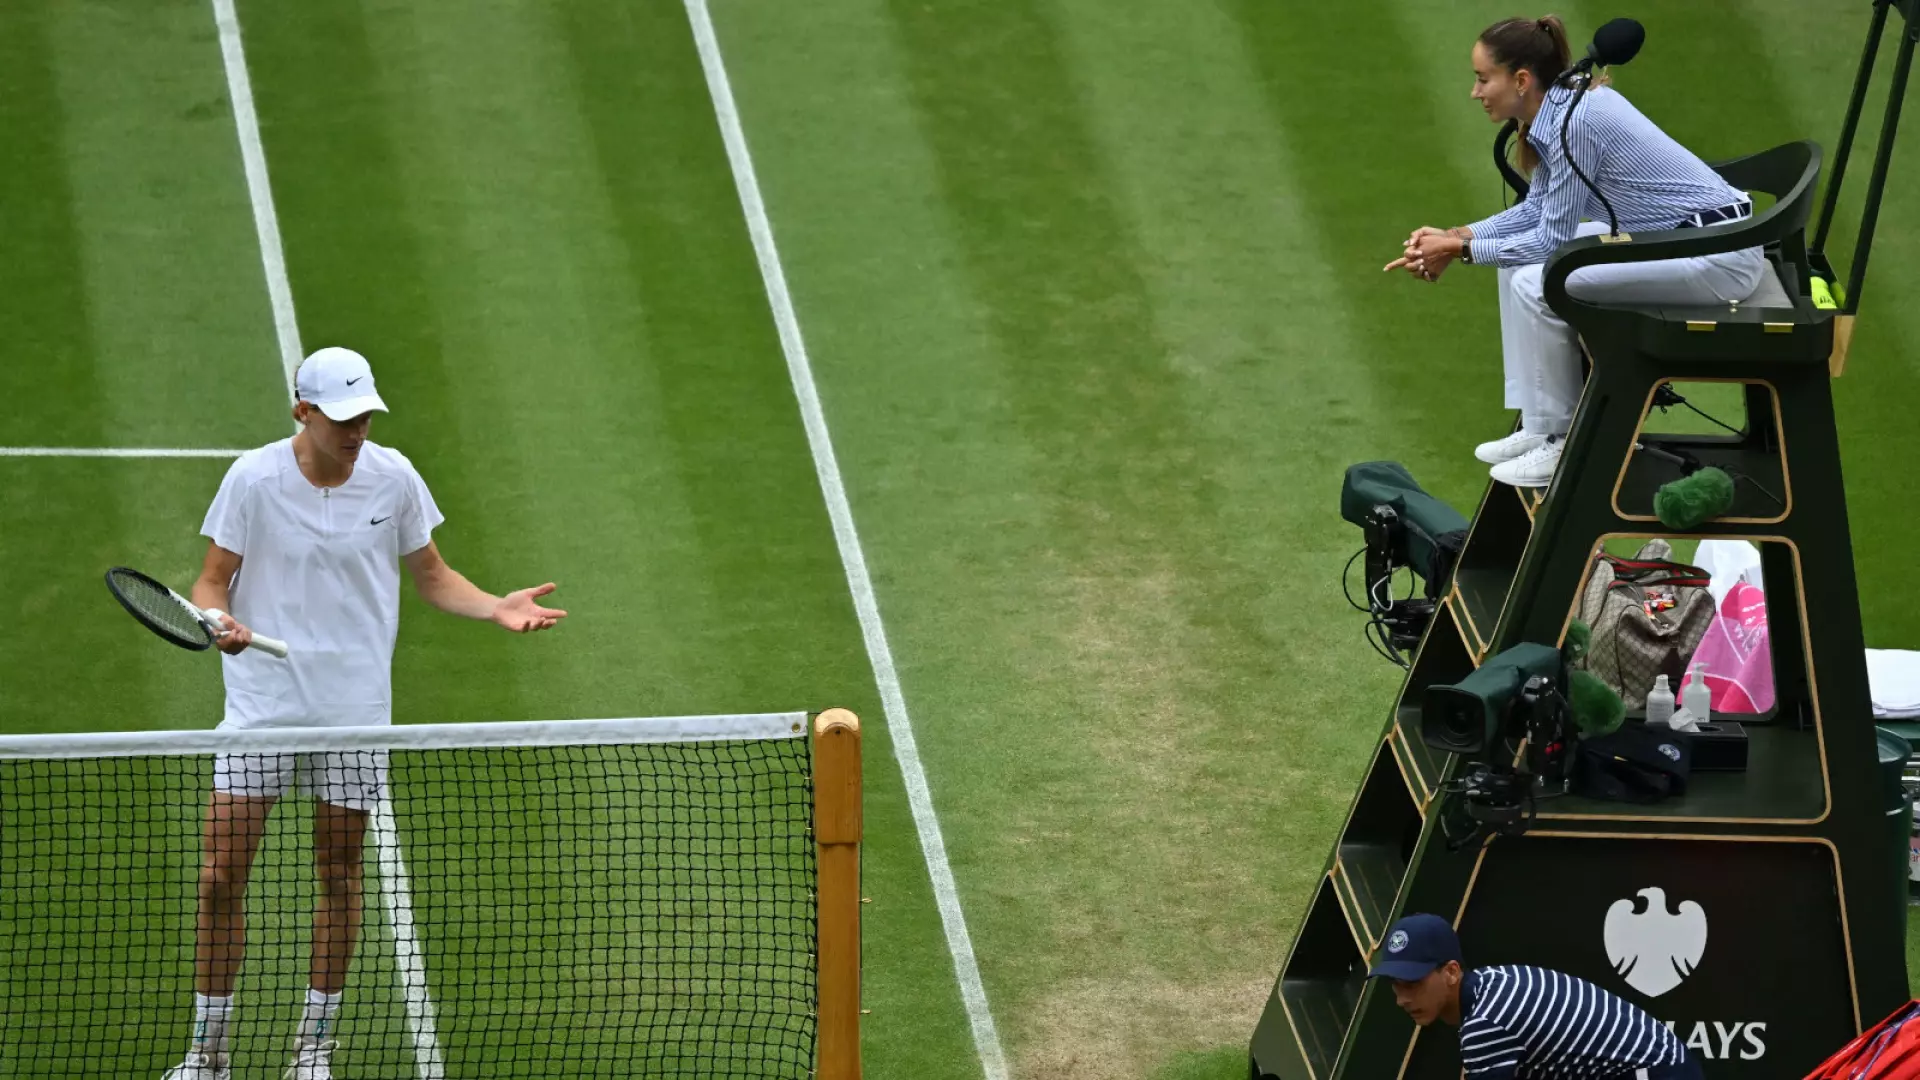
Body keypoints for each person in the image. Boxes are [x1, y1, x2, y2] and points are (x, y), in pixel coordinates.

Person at [163, 346, 568, 1080]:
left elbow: (433, 575)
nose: (358, 431)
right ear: (304, 412)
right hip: (264, 703)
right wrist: (218, 620)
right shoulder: (252, 480)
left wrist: (496, 608)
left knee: (340, 872)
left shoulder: (393, 475)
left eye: (366, 416)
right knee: (220, 875)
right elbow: (212, 579)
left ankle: (312, 1049)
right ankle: (208, 1054)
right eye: (344, 418)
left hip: (355, 709)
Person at [1385, 15, 1767, 488]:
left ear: (1521, 80)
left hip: (1717, 258)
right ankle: (1539, 423)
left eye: (1483, 79)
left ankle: (1561, 439)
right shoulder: (1566, 110)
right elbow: (1538, 212)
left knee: (1538, 278)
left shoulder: (1573, 124)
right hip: (1684, 242)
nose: (1475, 92)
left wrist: (1461, 250)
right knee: (1521, 269)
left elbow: (1551, 242)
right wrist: (1457, 233)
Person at [1369, 913, 1700, 1080]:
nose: (1402, 999)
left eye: (1412, 983)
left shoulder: (1485, 1024)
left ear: (1452, 972)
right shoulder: (1488, 985)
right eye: (1395, 985)